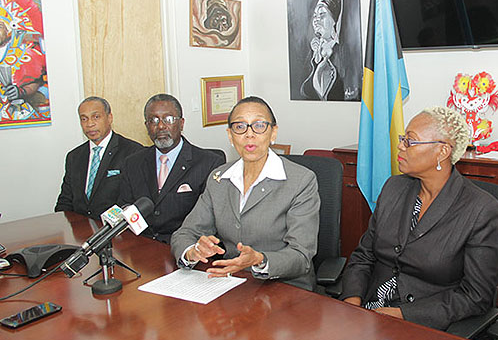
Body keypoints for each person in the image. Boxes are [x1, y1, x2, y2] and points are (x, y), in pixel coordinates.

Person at [340, 106, 498, 330]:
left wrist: (403, 314)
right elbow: (364, 256)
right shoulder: (394, 188)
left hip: (425, 323)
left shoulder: (481, 210)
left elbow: (476, 295)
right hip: (369, 309)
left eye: (410, 141)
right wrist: (352, 301)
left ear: (442, 151)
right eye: (403, 139)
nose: (400, 146)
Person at [170, 96, 320, 290]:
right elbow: (185, 233)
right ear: (230, 136)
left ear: (273, 133)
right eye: (240, 127)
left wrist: (259, 260)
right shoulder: (219, 178)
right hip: (232, 283)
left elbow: (301, 255)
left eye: (259, 125)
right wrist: (193, 251)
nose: (249, 134)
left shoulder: (301, 181)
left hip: (284, 287)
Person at [119, 94, 224, 244]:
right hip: (141, 246)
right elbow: (125, 207)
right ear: (146, 126)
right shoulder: (132, 163)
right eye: (153, 120)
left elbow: (211, 221)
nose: (160, 126)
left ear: (181, 123)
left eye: (168, 119)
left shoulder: (209, 163)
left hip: (186, 248)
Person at [55, 97, 143, 219]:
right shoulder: (74, 157)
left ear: (109, 118)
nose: (90, 124)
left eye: (96, 117)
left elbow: (136, 202)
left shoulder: (133, 152)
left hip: (116, 232)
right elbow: (65, 201)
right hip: (79, 231)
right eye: (84, 119)